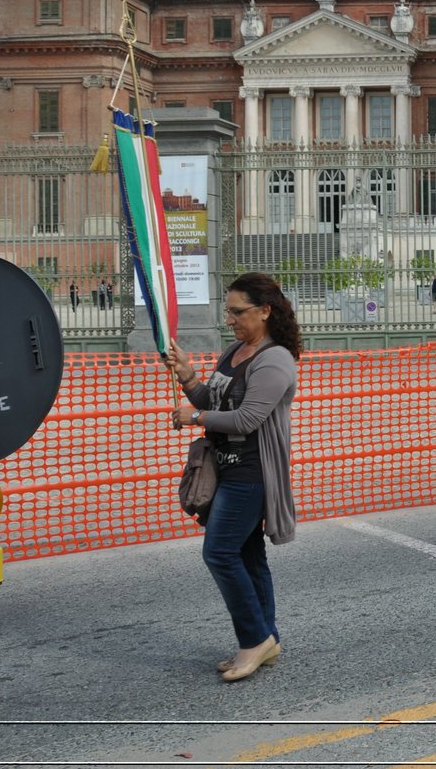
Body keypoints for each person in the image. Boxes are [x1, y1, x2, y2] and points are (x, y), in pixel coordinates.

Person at [163, 272, 300, 683]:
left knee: (220, 553)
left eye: (238, 311)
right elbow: (214, 399)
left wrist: (195, 418)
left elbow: (247, 418)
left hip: (253, 472)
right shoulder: (235, 350)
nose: (230, 319)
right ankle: (267, 639)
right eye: (227, 311)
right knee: (247, 555)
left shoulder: (275, 359)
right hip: (226, 468)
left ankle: (253, 639)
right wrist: (188, 376)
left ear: (265, 311)